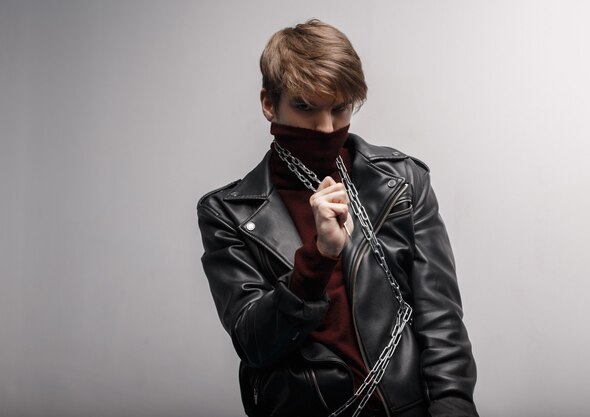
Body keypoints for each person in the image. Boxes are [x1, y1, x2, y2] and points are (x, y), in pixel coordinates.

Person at [197, 19, 479, 417]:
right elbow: (255, 344)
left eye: (340, 109)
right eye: (306, 107)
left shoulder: (401, 182)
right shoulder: (228, 213)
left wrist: (453, 407)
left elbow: (441, 319)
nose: (326, 128)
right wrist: (318, 257)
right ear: (268, 103)